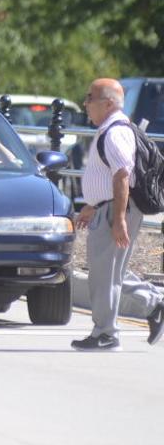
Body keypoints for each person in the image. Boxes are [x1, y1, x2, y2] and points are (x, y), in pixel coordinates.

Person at [71, 78, 164, 351]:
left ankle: (106, 334)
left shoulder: (114, 132)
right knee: (110, 274)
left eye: (90, 98)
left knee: (104, 275)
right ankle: (154, 304)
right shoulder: (112, 130)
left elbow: (123, 176)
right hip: (109, 208)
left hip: (116, 210)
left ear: (108, 103)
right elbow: (111, 178)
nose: (86, 104)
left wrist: (119, 218)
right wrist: (93, 206)